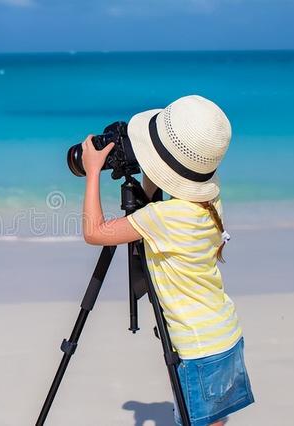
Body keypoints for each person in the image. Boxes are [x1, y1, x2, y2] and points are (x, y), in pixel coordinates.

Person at [80, 95, 255, 426]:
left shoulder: (163, 218)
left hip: (198, 347)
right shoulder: (209, 202)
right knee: (212, 420)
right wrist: (152, 167)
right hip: (226, 334)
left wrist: (92, 172)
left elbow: (95, 232)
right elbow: (160, 202)